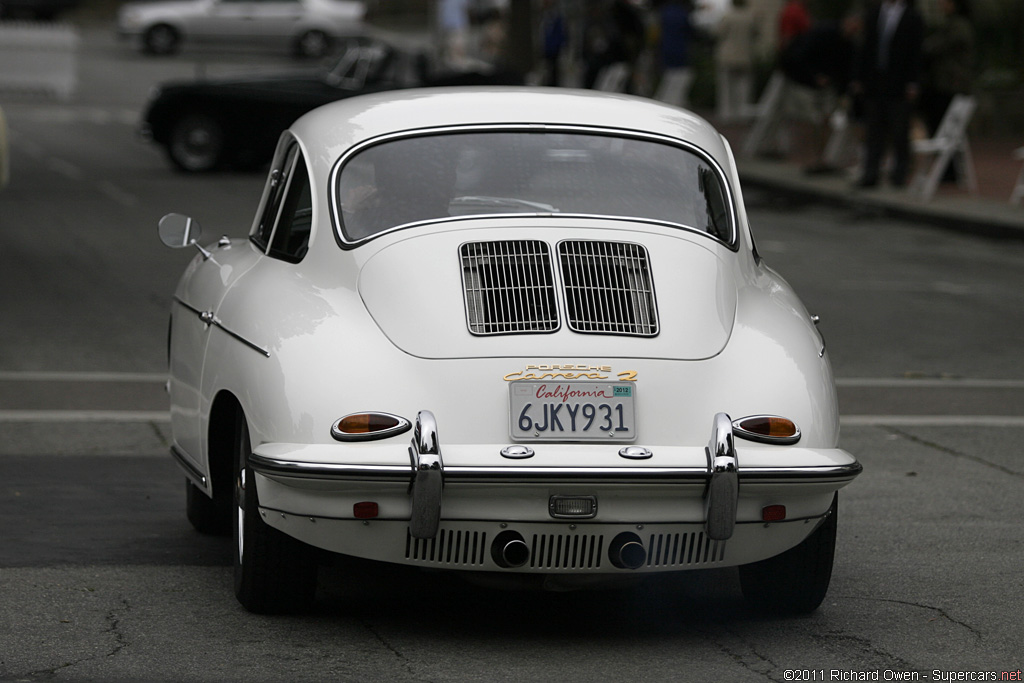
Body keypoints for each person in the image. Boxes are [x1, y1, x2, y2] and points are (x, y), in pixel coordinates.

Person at [851, 0, 924, 188]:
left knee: (900, 130)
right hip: (874, 82)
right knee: (874, 129)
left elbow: (916, 52)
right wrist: (859, 78)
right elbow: (865, 46)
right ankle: (871, 173)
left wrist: (913, 82)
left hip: (899, 83)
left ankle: (899, 175)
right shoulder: (873, 13)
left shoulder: (912, 17)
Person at [920, 0, 974, 137]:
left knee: (946, 127)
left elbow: (936, 46)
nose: (940, 5)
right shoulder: (951, 24)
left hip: (951, 83)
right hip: (947, 83)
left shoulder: (958, 25)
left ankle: (947, 155)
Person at [714, 0, 757, 122]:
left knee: (726, 87)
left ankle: (727, 114)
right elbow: (756, 34)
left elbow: (718, 33)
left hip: (727, 56)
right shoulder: (750, 17)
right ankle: (742, 113)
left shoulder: (728, 17)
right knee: (743, 87)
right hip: (745, 56)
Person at [654, 0, 695, 109]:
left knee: (669, 77)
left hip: (666, 48)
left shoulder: (665, 11)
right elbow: (690, 31)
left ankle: (665, 101)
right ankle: (673, 103)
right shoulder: (682, 13)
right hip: (680, 49)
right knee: (682, 77)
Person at [539, 0, 568, 86]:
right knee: (547, 71)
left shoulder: (556, 17)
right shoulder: (544, 16)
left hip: (555, 49)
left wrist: (561, 46)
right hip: (547, 49)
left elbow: (561, 33)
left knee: (555, 72)